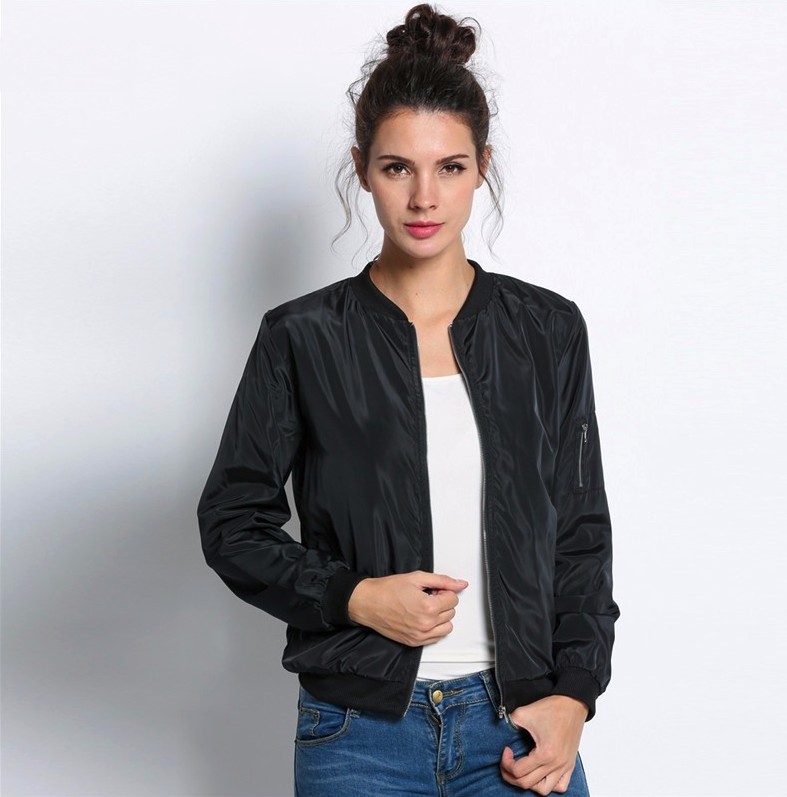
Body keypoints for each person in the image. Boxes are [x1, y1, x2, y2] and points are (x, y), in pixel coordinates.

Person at [197, 4, 620, 795]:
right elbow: (231, 521)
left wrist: (574, 694)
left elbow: (581, 533)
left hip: (519, 725)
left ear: (481, 166)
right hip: (357, 734)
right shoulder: (302, 337)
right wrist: (354, 595)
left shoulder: (547, 329)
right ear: (362, 168)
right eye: (398, 168)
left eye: (449, 167)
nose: (425, 196)